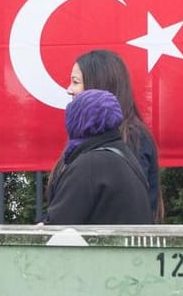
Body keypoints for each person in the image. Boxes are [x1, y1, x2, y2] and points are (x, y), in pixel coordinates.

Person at [67, 49, 163, 220]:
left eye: (75, 82)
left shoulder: (133, 138)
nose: (69, 90)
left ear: (99, 85)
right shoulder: (88, 139)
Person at [45, 89, 153, 225]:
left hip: (104, 246)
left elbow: (58, 226)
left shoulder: (89, 165)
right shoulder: (125, 156)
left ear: (78, 120)